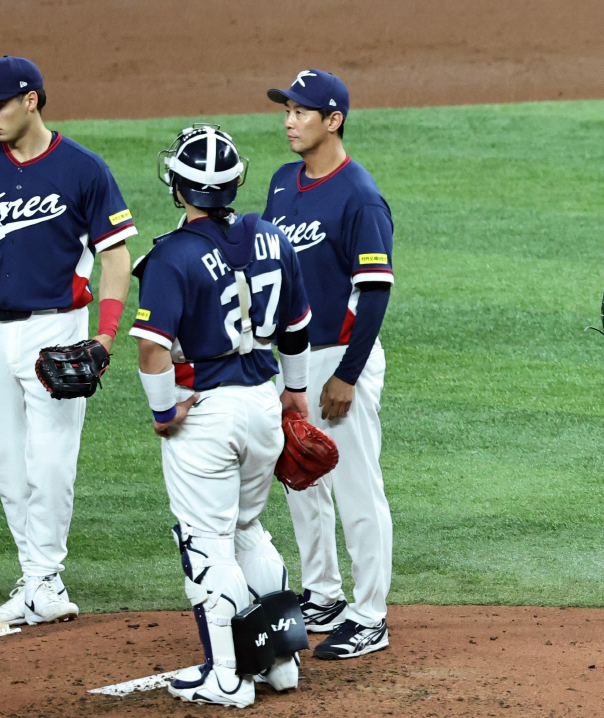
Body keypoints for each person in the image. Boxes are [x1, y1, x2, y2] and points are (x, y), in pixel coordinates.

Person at [0, 55, 134, 626]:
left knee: (50, 462)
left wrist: (106, 334)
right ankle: (35, 579)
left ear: (31, 100)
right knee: (6, 462)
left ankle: (44, 579)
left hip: (56, 329)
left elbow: (116, 255)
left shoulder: (83, 169)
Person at [130, 124, 313, 707]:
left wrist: (163, 410)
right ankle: (280, 663)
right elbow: (297, 328)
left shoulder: (172, 254)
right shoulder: (272, 237)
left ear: (179, 187)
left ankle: (226, 677)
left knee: (206, 542)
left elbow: (152, 348)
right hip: (263, 402)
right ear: (235, 183)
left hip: (207, 414)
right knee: (248, 530)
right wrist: (294, 392)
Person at [263, 69, 395, 659]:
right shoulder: (281, 184)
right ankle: (323, 593)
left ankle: (370, 615)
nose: (289, 121)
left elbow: (376, 292)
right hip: (293, 361)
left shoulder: (359, 196)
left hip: (342, 358)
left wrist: (348, 374)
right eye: (287, 110)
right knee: (301, 477)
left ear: (333, 120)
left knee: (356, 488)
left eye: (301, 111)